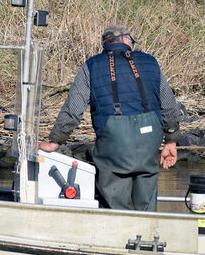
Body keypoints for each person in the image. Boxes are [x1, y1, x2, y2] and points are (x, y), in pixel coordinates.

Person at [38, 25, 179, 211]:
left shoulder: (91, 65)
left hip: (114, 143)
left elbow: (73, 109)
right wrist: (171, 139)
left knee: (116, 204)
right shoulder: (150, 62)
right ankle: (146, 235)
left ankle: (119, 236)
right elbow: (168, 105)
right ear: (126, 40)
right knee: (146, 203)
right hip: (149, 139)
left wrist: (56, 140)